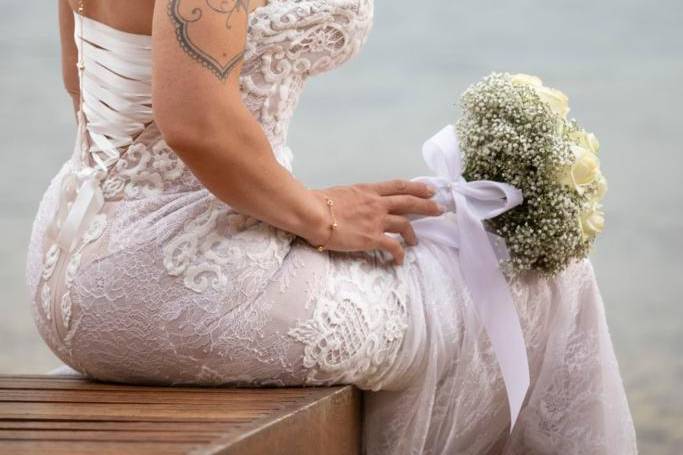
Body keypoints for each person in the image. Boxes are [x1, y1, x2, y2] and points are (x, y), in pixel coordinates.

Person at [25, 1, 637, 453]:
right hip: (174, 285)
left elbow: (82, 78)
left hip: (66, 267)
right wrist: (322, 217)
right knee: (534, 277)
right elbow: (193, 121)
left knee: (461, 255)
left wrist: (282, 201)